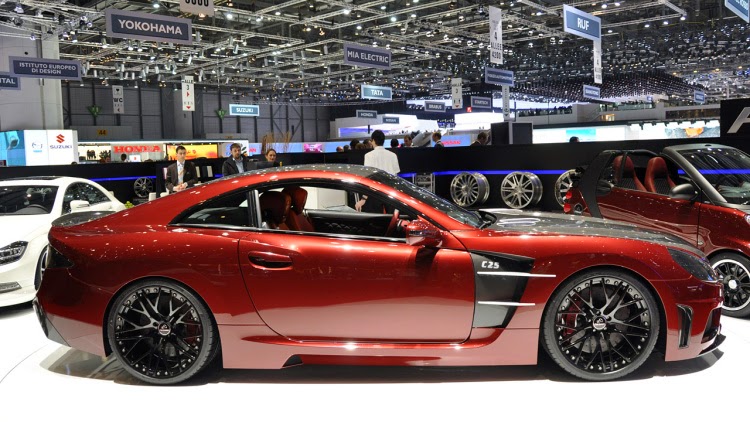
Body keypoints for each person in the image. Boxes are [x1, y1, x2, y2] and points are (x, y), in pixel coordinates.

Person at [356, 130, 400, 212]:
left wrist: (363, 199)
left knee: (376, 218)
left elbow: (369, 178)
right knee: (392, 218)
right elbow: (395, 178)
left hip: (374, 192)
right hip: (390, 192)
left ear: (373, 140)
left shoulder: (368, 156)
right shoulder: (393, 155)